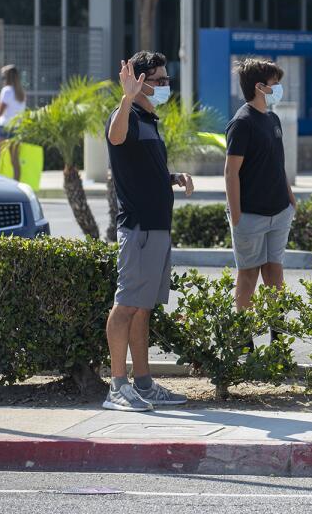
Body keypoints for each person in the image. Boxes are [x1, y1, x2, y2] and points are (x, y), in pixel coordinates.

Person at [102, 51, 195, 411]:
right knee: (126, 306)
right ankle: (117, 387)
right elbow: (115, 136)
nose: (166, 86)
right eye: (159, 81)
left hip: (158, 228)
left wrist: (172, 178)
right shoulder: (125, 115)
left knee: (143, 309)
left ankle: (142, 383)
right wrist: (126, 98)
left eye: (167, 80)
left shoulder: (150, 120)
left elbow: (141, 168)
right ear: (139, 82)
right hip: (139, 228)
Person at [225, 59, 296, 316]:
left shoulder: (272, 118)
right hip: (250, 215)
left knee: (275, 271)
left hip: (279, 211)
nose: (279, 88)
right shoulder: (242, 123)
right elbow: (230, 171)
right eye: (275, 84)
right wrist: (236, 216)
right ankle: (245, 340)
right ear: (259, 87)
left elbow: (277, 163)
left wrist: (290, 199)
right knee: (248, 275)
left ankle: (277, 334)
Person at [0, 64, 27, 180]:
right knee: (15, 161)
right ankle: (16, 186)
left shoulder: (6, 91)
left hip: (5, 128)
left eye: (3, 77)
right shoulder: (21, 93)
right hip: (17, 128)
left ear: (7, 78)